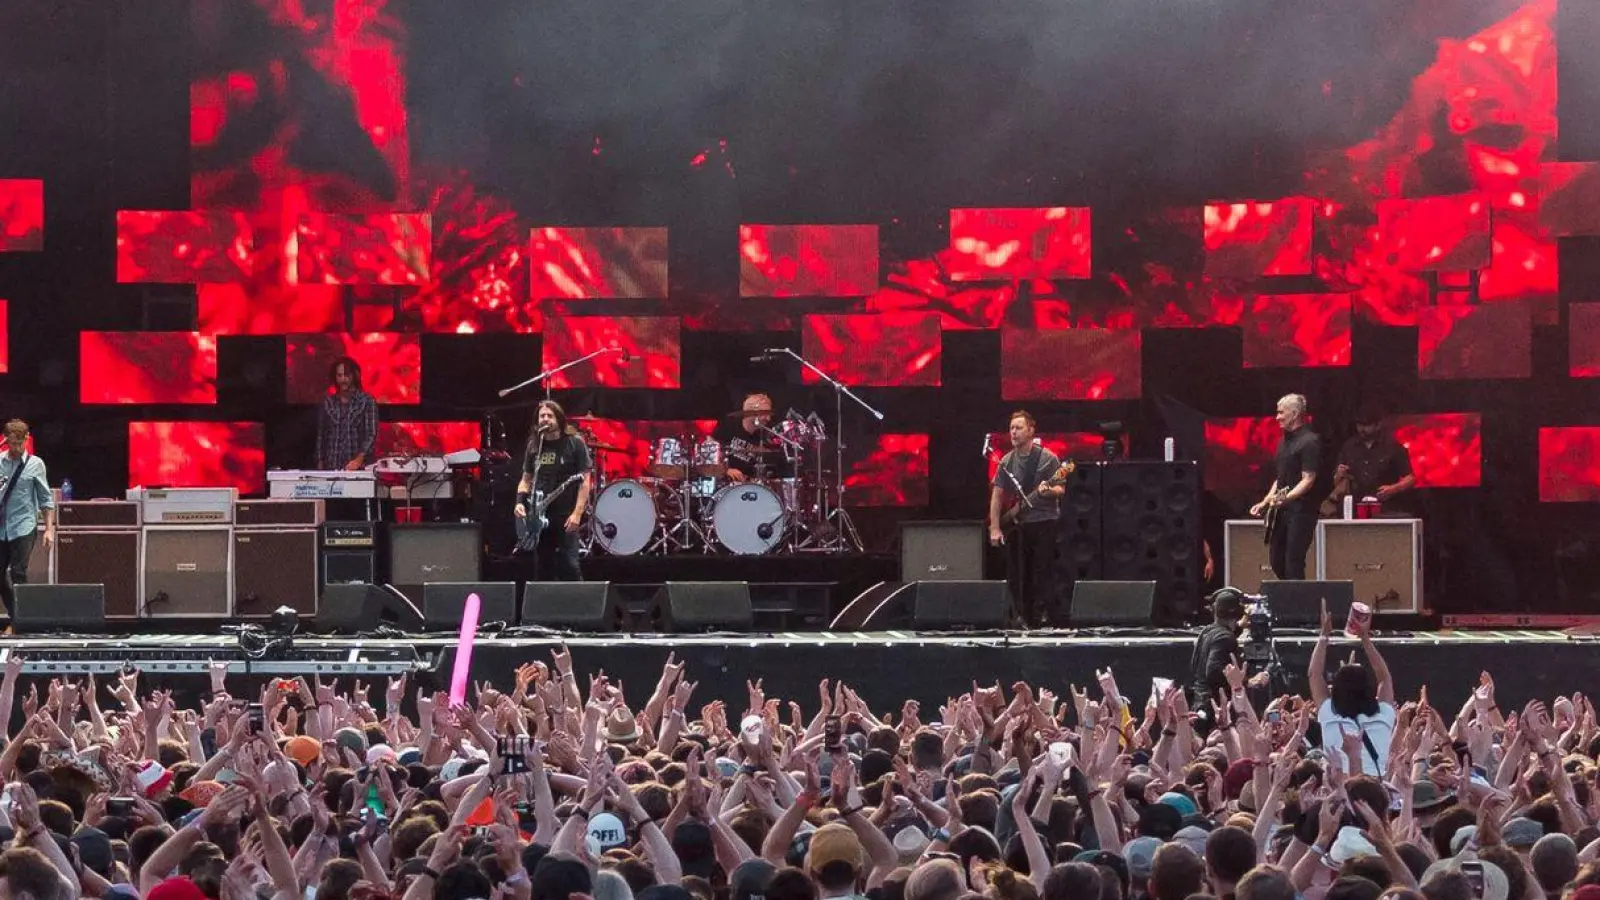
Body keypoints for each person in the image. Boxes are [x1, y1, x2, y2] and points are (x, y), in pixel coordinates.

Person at [988, 410, 1066, 627]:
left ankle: (1047, 617)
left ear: (1031, 430)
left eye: (1019, 428)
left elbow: (1061, 489)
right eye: (1011, 428)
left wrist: (1047, 491)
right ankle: (1024, 618)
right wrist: (995, 527)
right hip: (1020, 525)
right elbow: (997, 496)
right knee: (1020, 575)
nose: (1014, 432)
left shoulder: (1048, 458)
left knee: (1043, 572)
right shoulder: (1006, 461)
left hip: (1045, 522)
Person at [1309, 599, 1397, 777]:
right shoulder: (1383, 717)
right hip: (1376, 791)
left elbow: (1314, 674)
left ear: (1336, 690)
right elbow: (1385, 678)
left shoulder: (1330, 716)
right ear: (1369, 689)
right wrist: (1365, 638)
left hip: (1339, 791)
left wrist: (1324, 635)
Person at [516, 400, 592, 581]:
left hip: (565, 514)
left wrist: (577, 513)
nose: (545, 419)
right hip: (539, 514)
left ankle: (580, 604)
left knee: (570, 564)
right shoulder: (534, 446)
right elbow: (526, 479)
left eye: (550, 416)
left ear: (559, 419)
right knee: (543, 566)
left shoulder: (574, 443)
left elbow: (585, 481)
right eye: (542, 416)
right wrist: (519, 502)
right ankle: (545, 606)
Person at [1250, 394, 1319, 580]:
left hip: (1301, 511)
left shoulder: (1310, 441)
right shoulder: (1283, 442)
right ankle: (1289, 598)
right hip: (1281, 511)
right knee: (1276, 560)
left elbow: (1308, 479)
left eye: (1281, 412)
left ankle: (1297, 606)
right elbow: (1280, 479)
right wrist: (1265, 502)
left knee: (1293, 561)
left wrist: (1285, 499)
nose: (1277, 417)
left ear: (1295, 414)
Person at [0, 420, 54, 626]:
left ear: (26, 440)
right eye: (11, 444)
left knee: (18, 571)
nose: (15, 448)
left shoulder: (35, 464)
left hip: (24, 525)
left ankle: (21, 623)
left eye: (19, 444)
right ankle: (17, 615)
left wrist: (49, 529)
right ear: (5, 440)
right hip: (1, 526)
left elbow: (45, 498)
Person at [1331, 404, 1415, 513]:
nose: (1362, 429)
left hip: (1386, 506)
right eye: (1359, 425)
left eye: (1367, 425)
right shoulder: (1349, 447)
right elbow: (1336, 480)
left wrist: (1393, 489)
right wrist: (1339, 474)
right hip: (1356, 506)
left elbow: (1410, 478)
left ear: (1378, 425)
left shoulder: (1392, 446)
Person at [712, 392, 791, 483]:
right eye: (764, 414)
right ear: (752, 413)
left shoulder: (765, 436)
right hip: (725, 482)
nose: (768, 418)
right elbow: (709, 450)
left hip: (750, 485)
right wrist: (726, 470)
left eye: (769, 415)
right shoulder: (729, 426)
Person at [1187, 587, 1243, 713]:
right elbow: (1213, 671)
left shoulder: (1207, 632)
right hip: (1215, 709)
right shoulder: (1225, 637)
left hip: (1199, 704)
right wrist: (1243, 681)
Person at [316, 356, 378, 471]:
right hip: (332, 467)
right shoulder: (328, 402)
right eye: (339, 375)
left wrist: (359, 459)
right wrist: (320, 462)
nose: (343, 379)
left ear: (354, 376)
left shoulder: (367, 401)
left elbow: (371, 435)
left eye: (346, 375)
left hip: (359, 468)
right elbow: (321, 436)